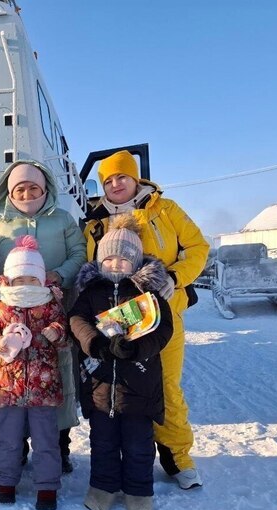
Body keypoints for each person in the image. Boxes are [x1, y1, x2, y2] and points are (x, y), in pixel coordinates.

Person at [82, 150, 209, 489]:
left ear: (135, 178)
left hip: (162, 315)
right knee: (118, 391)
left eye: (121, 176)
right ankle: (123, 458)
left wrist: (174, 276)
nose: (115, 184)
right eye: (108, 180)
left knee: (165, 386)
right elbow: (89, 270)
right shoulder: (95, 224)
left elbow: (198, 247)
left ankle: (176, 456)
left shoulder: (164, 210)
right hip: (115, 320)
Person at [0, 160, 86, 472]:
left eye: (33, 187)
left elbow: (79, 254)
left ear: (44, 189)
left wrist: (59, 275)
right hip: (10, 313)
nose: (27, 193)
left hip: (52, 308)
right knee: (14, 376)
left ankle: (58, 447)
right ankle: (18, 448)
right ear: (9, 192)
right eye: (20, 188)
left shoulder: (63, 218)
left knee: (56, 377)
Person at [70, 215, 174, 510]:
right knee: (102, 442)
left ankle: (139, 492)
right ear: (101, 260)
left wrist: (135, 349)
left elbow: (163, 329)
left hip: (139, 387)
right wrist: (96, 344)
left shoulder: (148, 295)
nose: (116, 264)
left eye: (124, 259)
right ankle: (102, 488)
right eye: (110, 257)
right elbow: (77, 321)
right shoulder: (90, 294)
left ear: (137, 262)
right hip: (101, 386)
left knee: (139, 445)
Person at [0, 235, 69, 510]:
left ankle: (47, 488)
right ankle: (6, 482)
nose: (26, 285)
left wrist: (57, 333)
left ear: (41, 280)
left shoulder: (50, 305)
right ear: (9, 280)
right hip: (9, 388)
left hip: (44, 388)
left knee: (46, 441)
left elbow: (65, 333)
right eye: (20, 279)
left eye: (32, 279)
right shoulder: (1, 306)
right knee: (8, 440)